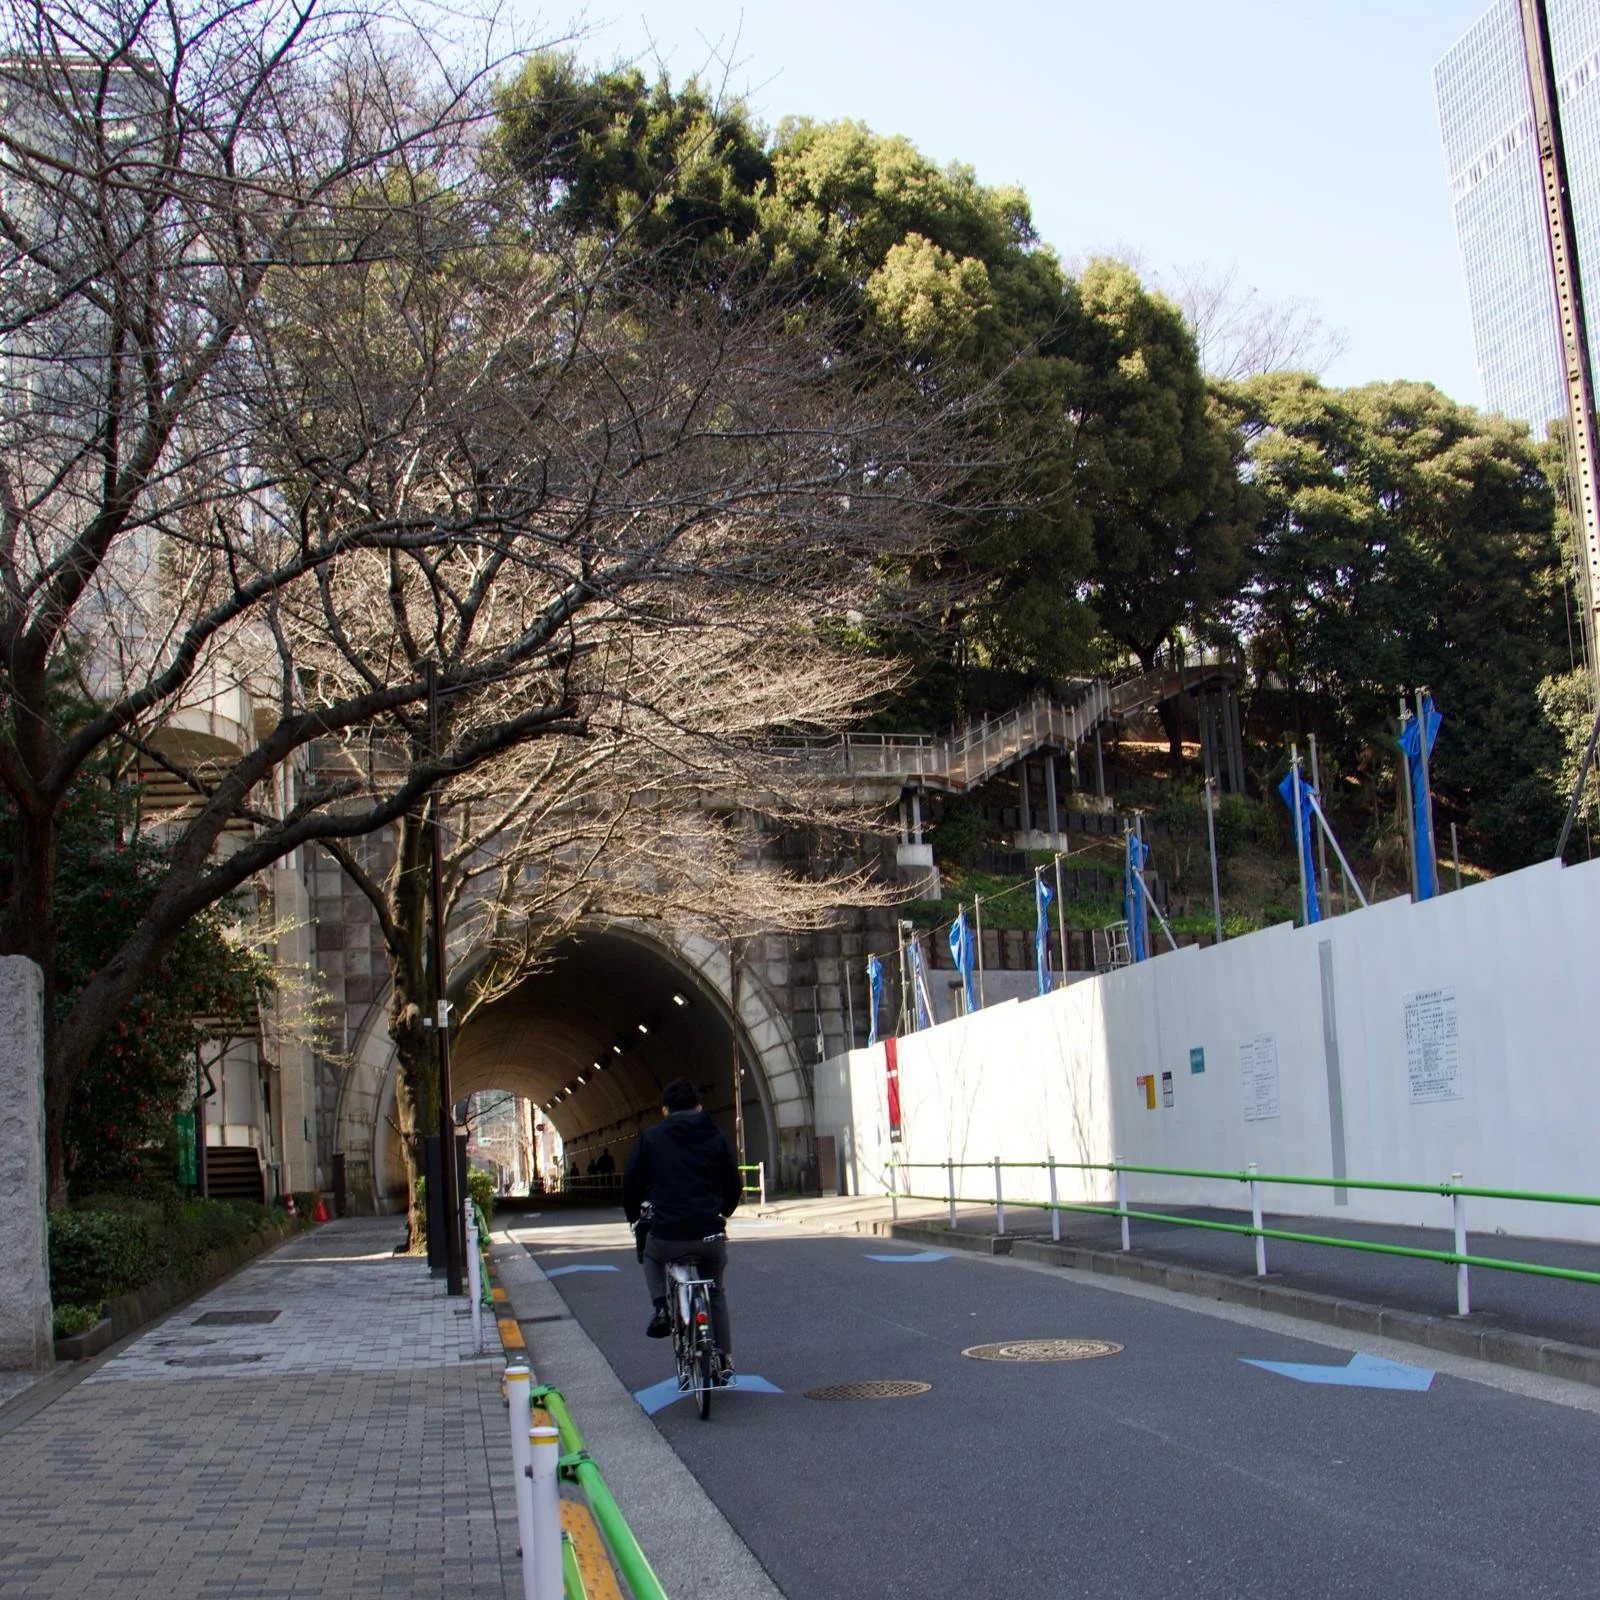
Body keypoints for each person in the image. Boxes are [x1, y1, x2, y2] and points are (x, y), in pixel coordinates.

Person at [622, 1077, 741, 1383]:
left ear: (665, 1110)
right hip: (710, 1234)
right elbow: (733, 1182)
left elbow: (631, 1182)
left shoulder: (651, 1138)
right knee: (716, 1291)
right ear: (699, 1107)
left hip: (667, 1235)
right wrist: (723, 1211)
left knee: (650, 1254)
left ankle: (661, 1308)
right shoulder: (715, 1134)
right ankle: (724, 1358)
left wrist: (634, 1216)